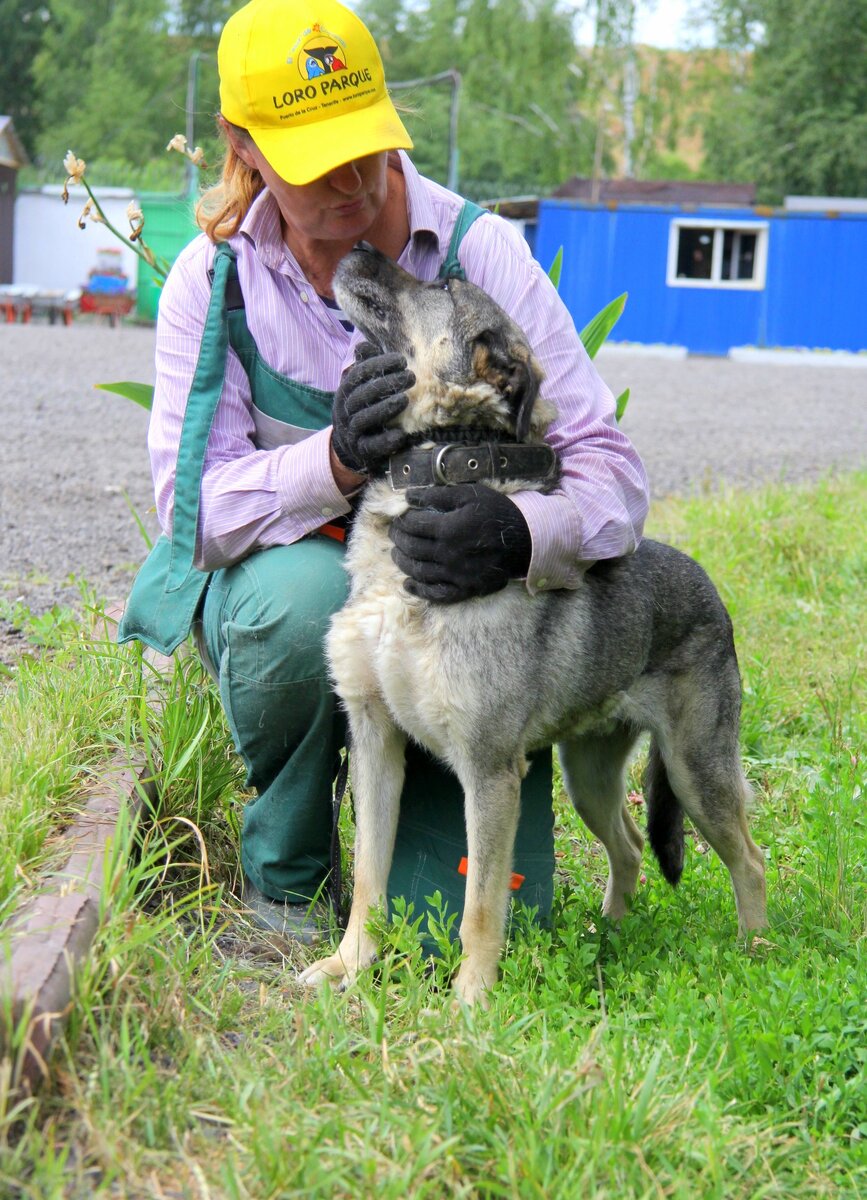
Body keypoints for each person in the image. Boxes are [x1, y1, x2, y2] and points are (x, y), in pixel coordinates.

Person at [119, 0, 650, 946]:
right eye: (315, 160)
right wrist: (330, 460)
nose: (354, 181)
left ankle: (407, 861)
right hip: (310, 575)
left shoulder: (479, 252)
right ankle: (287, 871)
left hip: (464, 611)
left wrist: (518, 534)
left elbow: (612, 469)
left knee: (462, 924)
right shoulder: (215, 282)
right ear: (243, 145)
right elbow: (189, 512)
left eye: (363, 145)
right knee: (293, 605)